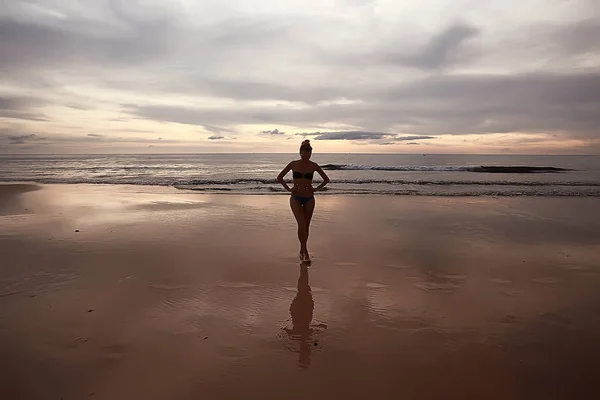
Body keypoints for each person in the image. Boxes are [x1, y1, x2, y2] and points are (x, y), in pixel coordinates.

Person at [276, 139, 330, 262]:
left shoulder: (313, 165)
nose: (307, 154)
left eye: (309, 152)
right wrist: (289, 189)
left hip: (309, 198)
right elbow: (280, 177)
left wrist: (315, 189)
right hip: (295, 197)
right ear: (300, 152)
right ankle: (305, 251)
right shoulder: (293, 164)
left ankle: (303, 249)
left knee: (306, 225)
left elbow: (326, 179)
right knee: (301, 223)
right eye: (305, 152)